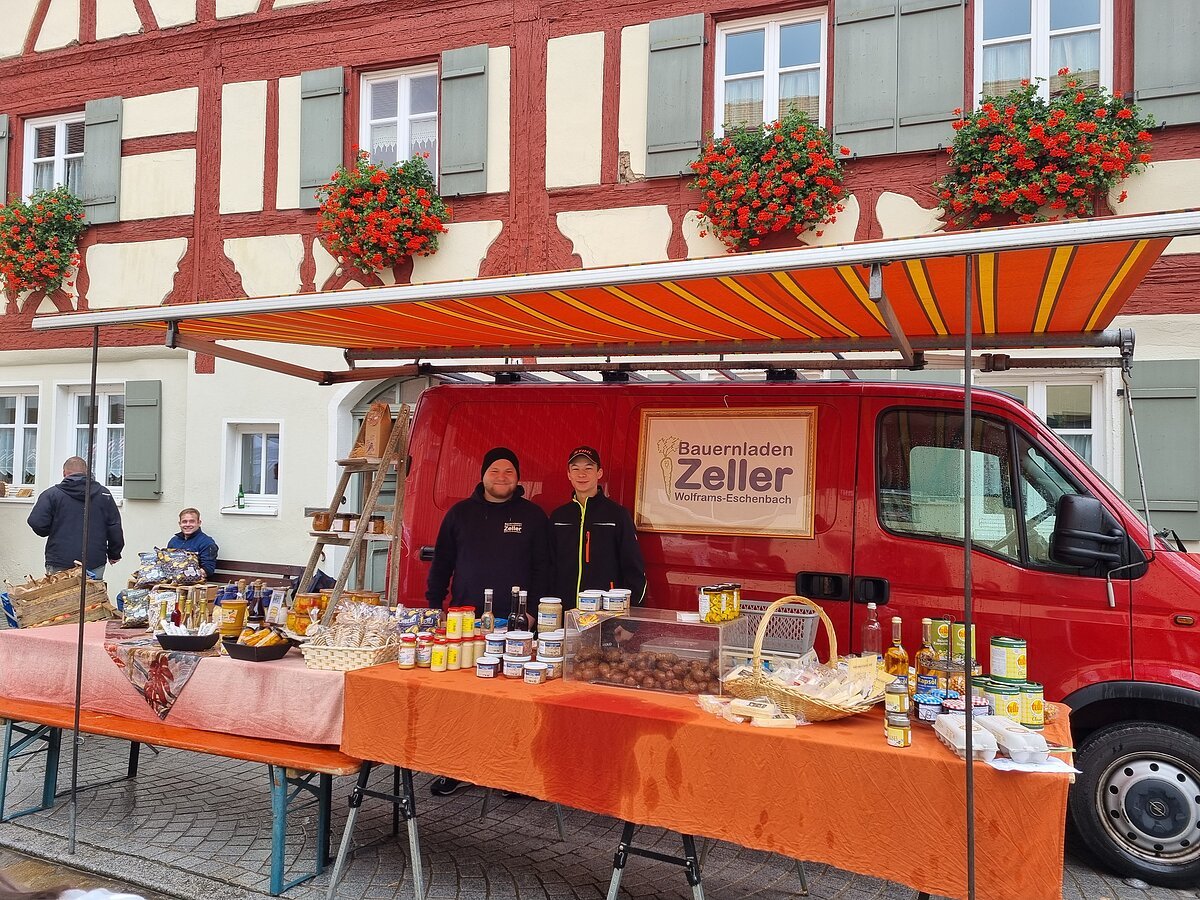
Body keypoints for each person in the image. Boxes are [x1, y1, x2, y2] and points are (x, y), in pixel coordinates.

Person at [424, 446, 550, 797]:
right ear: (482, 475)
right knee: (461, 699)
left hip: (516, 626)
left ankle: (512, 773)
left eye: (509, 471)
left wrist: (535, 613)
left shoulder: (533, 516)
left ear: (518, 478)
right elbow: (442, 564)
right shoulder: (459, 514)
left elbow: (543, 569)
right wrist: (436, 607)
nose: (501, 476)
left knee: (513, 702)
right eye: (495, 470)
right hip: (467, 625)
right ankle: (454, 767)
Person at [550, 446, 646, 645]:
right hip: (564, 619)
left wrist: (630, 624)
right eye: (575, 469)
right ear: (568, 474)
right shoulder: (559, 517)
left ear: (599, 473)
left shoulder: (617, 515)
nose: (582, 474)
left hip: (608, 622)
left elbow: (635, 572)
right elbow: (546, 568)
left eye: (589, 468)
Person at [27, 457, 124, 580]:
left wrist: (48, 530)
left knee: (59, 598)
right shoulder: (103, 494)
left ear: (64, 473)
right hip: (94, 559)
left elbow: (37, 522)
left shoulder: (52, 494)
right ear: (87, 472)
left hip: (60, 559)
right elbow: (114, 526)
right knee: (94, 597)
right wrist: (114, 553)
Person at [166, 508, 219, 579]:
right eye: (184, 521)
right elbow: (166, 562)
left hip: (193, 584)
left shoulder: (207, 543)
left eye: (192, 521)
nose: (188, 524)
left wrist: (185, 576)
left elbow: (208, 569)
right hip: (171, 582)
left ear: (199, 523)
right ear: (180, 524)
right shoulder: (174, 541)